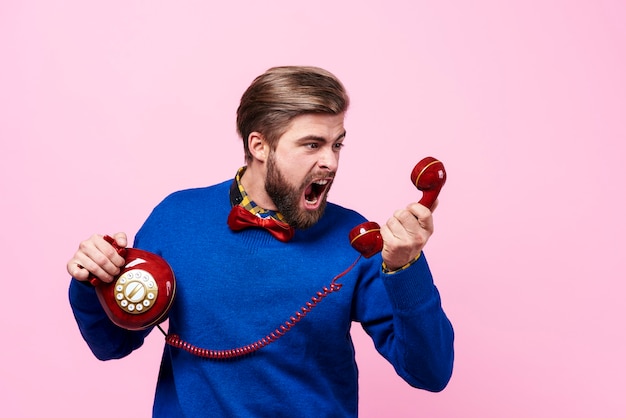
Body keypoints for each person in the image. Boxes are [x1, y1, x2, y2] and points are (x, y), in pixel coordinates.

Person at [67, 66, 454, 417]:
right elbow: (111, 345)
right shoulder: (176, 217)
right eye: (311, 144)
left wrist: (406, 267)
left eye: (337, 144)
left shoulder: (358, 241)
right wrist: (93, 279)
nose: (331, 163)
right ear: (259, 146)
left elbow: (430, 372)